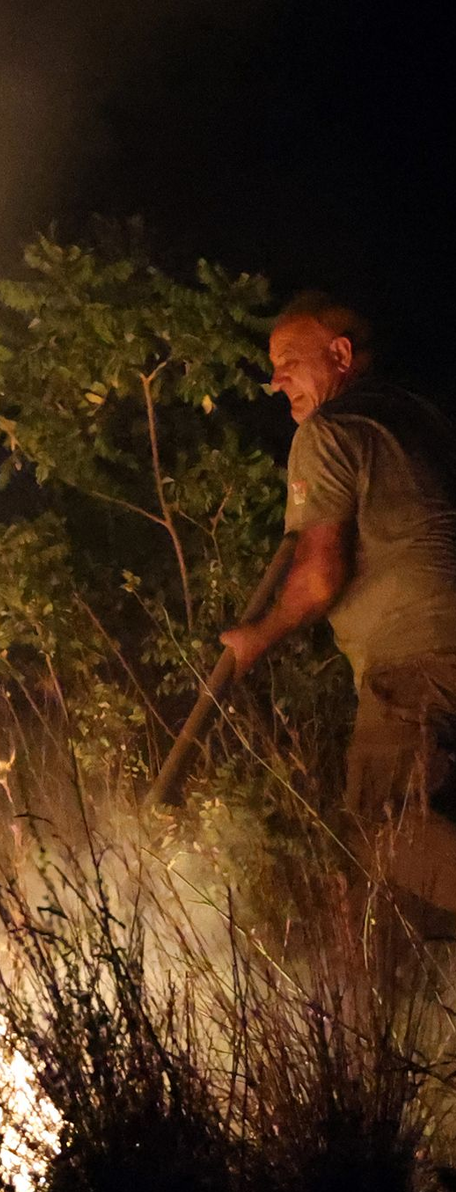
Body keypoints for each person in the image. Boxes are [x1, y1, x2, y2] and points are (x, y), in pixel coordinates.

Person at [221, 292, 456, 921]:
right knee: (412, 890)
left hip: (417, 661)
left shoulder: (329, 431)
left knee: (385, 830)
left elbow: (321, 576)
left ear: (340, 354)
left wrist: (257, 636)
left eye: (289, 362)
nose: (275, 383)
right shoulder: (424, 418)